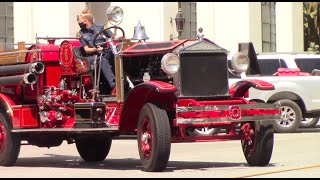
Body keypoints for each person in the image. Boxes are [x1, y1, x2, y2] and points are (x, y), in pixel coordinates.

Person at [77, 8, 116, 94]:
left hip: (104, 52)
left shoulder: (101, 27)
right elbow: (86, 49)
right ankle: (114, 85)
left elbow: (112, 37)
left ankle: (125, 80)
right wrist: (95, 49)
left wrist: (120, 38)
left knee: (116, 55)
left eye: (80, 21)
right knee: (102, 60)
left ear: (85, 21)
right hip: (92, 57)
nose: (79, 23)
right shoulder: (81, 33)